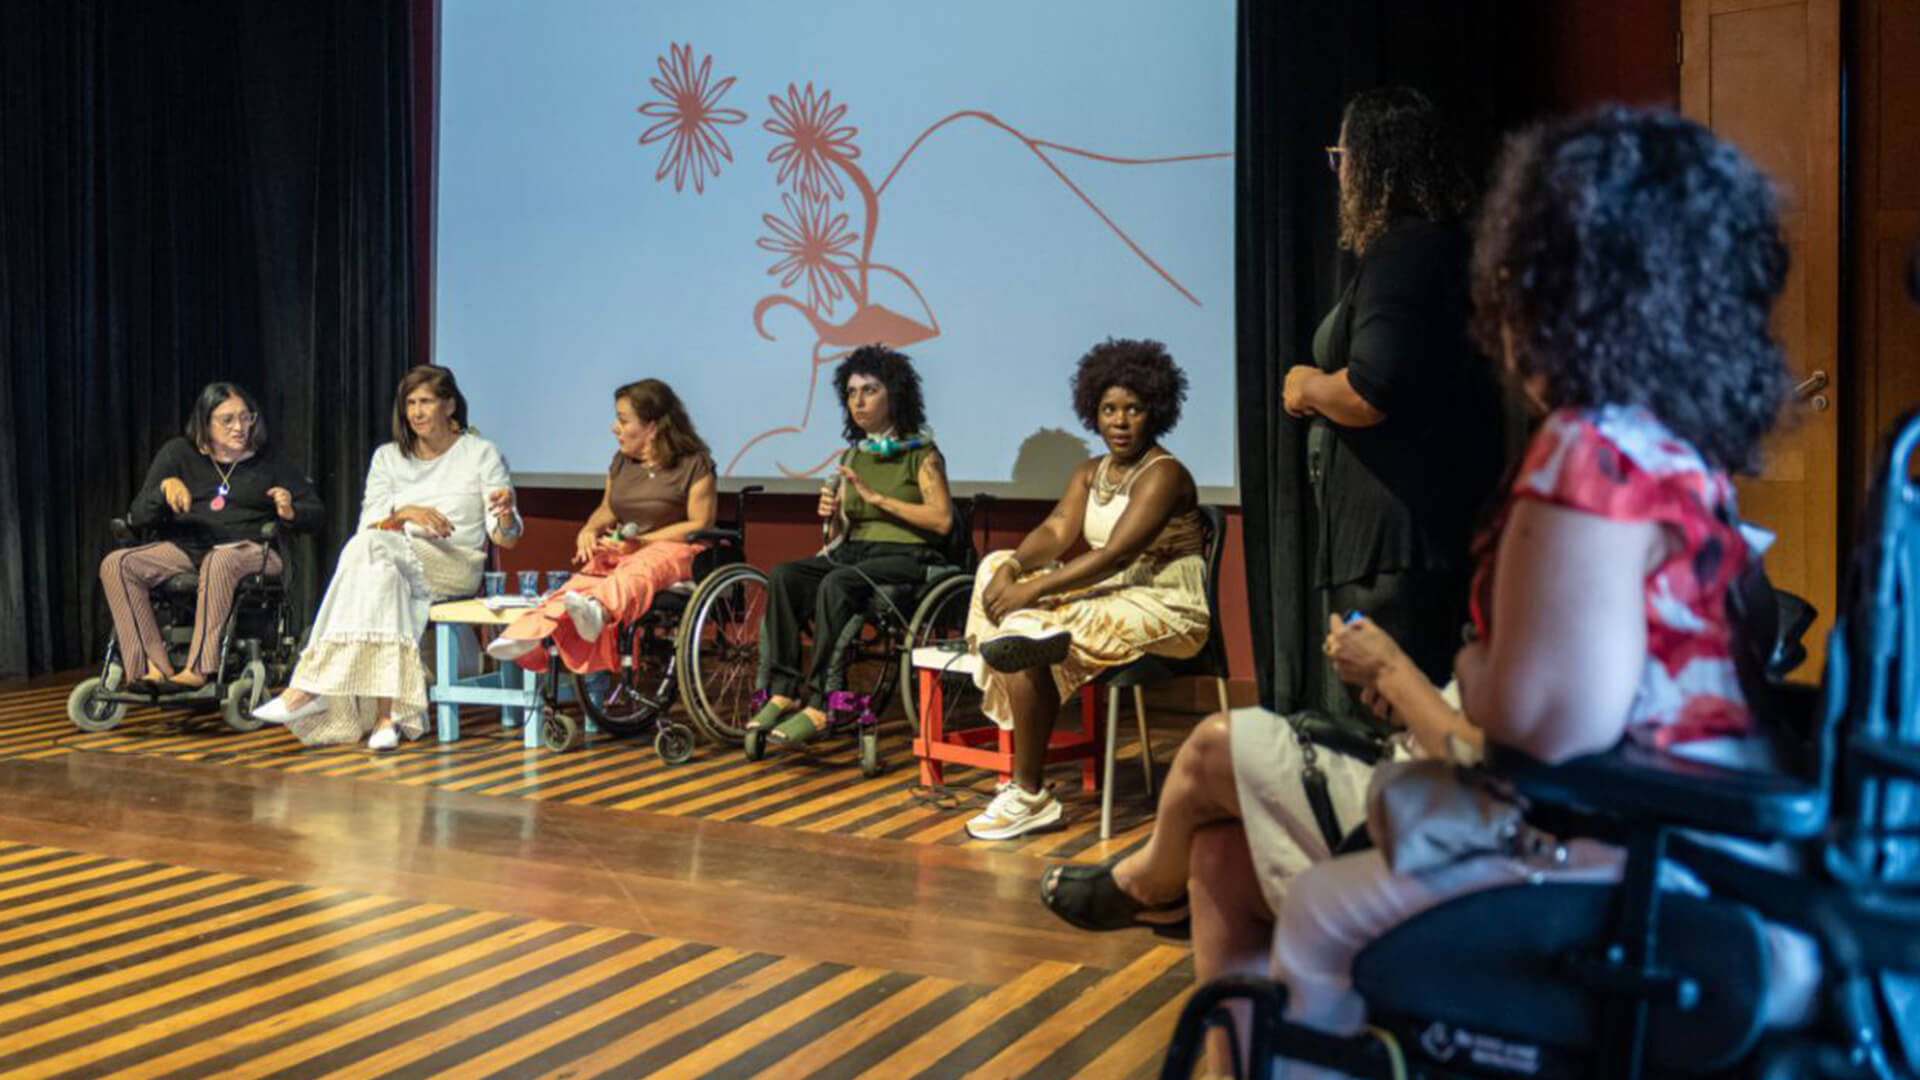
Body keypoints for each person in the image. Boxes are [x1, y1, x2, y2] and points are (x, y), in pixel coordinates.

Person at [1269, 107, 1821, 1064]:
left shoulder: (1589, 458)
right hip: (1732, 851)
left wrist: (1458, 669)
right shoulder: (1677, 445)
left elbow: (1547, 734)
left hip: (1638, 868)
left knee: (1316, 911)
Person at [1282, 86, 1504, 731]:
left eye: (1342, 156)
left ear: (1377, 164)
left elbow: (1368, 393)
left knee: (1393, 722)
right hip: (1409, 532)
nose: (1339, 172)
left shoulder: (1404, 253)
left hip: (1395, 543)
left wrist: (1304, 386)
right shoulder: (1438, 248)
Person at [961, 338, 1210, 840]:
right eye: (1109, 410)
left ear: (1155, 412)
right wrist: (1013, 568)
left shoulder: (1165, 474)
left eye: (1133, 409)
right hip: (1112, 594)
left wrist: (1034, 593)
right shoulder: (1089, 471)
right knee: (993, 567)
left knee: (1031, 627)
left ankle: (1028, 793)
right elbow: (1056, 531)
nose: (1120, 421)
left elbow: (1115, 554)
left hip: (1166, 603)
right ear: (1092, 412)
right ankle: (1029, 787)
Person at [254, 366, 521, 749]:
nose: (416, 412)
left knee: (366, 553)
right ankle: (386, 717)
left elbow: (504, 538)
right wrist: (405, 514)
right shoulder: (388, 457)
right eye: (410, 403)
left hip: (453, 563)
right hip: (395, 558)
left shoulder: (481, 454)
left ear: (449, 405)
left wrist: (507, 515)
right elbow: (370, 528)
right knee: (379, 573)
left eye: (426, 401)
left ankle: (308, 688)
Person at [746, 344, 955, 747]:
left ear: (895, 394)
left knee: (838, 583)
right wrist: (836, 510)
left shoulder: (923, 456)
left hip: (907, 556)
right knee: (785, 576)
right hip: (857, 551)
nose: (858, 401)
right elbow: (844, 529)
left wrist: (881, 501)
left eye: (870, 390)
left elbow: (942, 520)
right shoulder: (854, 455)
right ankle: (784, 689)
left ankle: (821, 702)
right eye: (851, 392)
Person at [100, 382, 323, 694]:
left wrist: (289, 510)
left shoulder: (270, 461)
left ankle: (197, 669)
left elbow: (315, 514)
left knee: (220, 559)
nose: (239, 427)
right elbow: (138, 515)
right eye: (228, 420)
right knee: (117, 565)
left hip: (254, 552)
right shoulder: (178, 454)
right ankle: (151, 669)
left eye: (246, 418)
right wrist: (163, 490)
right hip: (188, 550)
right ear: (205, 423)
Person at [484, 379, 716, 675]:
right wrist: (590, 529)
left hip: (680, 551)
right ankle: (530, 634)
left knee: (641, 567)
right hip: (628, 549)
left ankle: (601, 608)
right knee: (578, 586)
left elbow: (700, 522)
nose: (614, 428)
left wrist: (644, 541)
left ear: (653, 427)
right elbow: (608, 508)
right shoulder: (621, 462)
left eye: (623, 420)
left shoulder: (695, 464)